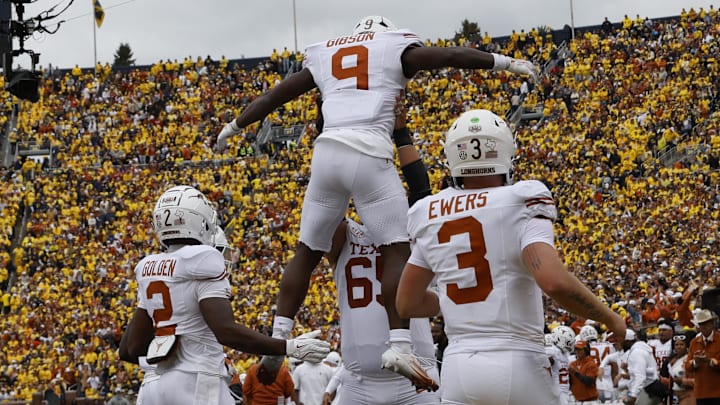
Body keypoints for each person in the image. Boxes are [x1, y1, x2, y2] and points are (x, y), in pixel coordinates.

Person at [214, 15, 539, 390]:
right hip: (370, 151)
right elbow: (448, 55)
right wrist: (505, 62)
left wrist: (233, 128)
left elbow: (274, 96)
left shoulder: (326, 54)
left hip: (326, 154)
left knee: (305, 251)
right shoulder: (393, 47)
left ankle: (278, 338)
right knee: (397, 249)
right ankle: (400, 343)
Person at [395, 109, 626, 405]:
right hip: (517, 361)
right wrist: (610, 317)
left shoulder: (428, 211)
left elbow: (407, 303)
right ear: (505, 150)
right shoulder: (522, 198)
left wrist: (457, 297)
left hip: (458, 366)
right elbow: (554, 283)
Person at [118, 185, 330, 405]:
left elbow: (130, 349)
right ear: (198, 220)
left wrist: (171, 346)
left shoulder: (149, 267)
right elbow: (225, 331)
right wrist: (289, 347)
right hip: (198, 380)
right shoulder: (204, 258)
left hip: (156, 386)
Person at [685, 309, 720, 404]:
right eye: (701, 324)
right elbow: (687, 366)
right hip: (701, 392)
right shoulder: (694, 342)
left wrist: (709, 361)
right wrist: (696, 362)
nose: (703, 327)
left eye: (705, 324)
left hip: (718, 392)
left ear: (712, 324)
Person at [622, 329, 663, 405]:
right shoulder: (640, 349)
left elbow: (640, 376)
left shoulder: (637, 352)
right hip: (649, 387)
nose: (620, 344)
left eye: (621, 341)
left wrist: (633, 395)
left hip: (646, 390)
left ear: (627, 341)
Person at [660, 331, 695, 405]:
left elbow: (698, 381)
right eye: (676, 345)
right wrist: (661, 379)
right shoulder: (671, 362)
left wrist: (683, 381)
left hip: (688, 396)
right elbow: (672, 381)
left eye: (681, 344)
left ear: (687, 346)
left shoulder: (691, 360)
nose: (679, 347)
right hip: (673, 397)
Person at [547, 326, 576, 405]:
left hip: (565, 391)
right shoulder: (553, 351)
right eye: (569, 342)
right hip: (557, 392)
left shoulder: (565, 353)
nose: (571, 344)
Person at [570, 340, 600, 404]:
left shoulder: (591, 364)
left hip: (590, 400)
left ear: (586, 350)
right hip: (576, 400)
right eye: (576, 349)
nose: (577, 351)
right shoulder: (573, 364)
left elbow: (589, 381)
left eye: (580, 349)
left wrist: (575, 372)